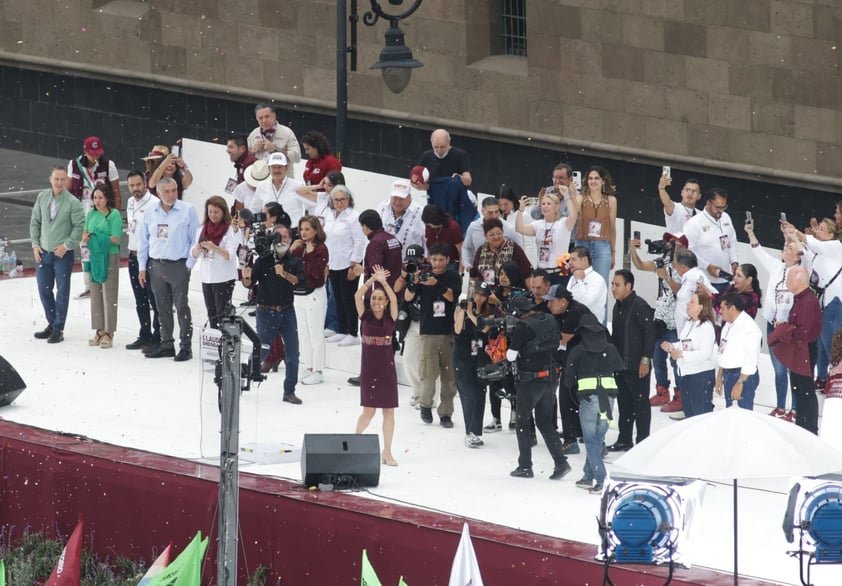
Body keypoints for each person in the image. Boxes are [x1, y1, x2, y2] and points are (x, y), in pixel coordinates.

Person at [241, 206, 305, 404]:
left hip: (287, 311)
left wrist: (284, 273)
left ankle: (289, 391)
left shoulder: (294, 261)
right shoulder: (263, 260)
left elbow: (301, 282)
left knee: (293, 352)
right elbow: (250, 284)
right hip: (266, 311)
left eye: (286, 237)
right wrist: (245, 277)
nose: (283, 240)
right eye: (279, 237)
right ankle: (246, 376)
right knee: (264, 349)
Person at [506, 296, 572, 481]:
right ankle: (560, 462)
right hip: (551, 379)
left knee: (522, 422)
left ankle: (525, 466)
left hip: (530, 381)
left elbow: (511, 356)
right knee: (545, 422)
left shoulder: (522, 327)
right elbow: (558, 343)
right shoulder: (550, 319)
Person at [137, 177, 200, 362]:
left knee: (181, 307)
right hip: (156, 265)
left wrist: (189, 265)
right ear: (159, 192)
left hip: (178, 265)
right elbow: (144, 241)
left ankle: (186, 346)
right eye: (167, 191)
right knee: (161, 307)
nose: (171, 195)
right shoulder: (150, 212)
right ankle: (166, 343)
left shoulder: (187, 210)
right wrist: (142, 267)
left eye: (174, 190)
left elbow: (194, 239)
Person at [404, 242, 462, 428]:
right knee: (428, 374)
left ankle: (446, 413)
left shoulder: (452, 276)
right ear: (429, 259)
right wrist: (414, 282)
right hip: (428, 331)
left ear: (448, 260)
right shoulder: (423, 275)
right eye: (434, 259)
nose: (437, 263)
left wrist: (436, 284)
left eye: (440, 260)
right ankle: (425, 406)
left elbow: (451, 296)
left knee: (449, 378)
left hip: (448, 332)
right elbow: (407, 297)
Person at [565, 314, 623, 494]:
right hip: (609, 398)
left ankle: (600, 479)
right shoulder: (611, 348)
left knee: (590, 441)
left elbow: (568, 381)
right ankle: (587, 476)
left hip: (589, 399)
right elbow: (620, 367)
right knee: (597, 440)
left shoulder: (577, 351)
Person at [630, 232, 687, 413]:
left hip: (677, 321)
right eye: (671, 243)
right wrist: (632, 248)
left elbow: (683, 293)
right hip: (660, 318)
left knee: (676, 360)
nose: (673, 246)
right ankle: (662, 391)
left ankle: (681, 396)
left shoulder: (687, 267)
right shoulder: (662, 262)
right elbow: (639, 265)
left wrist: (666, 278)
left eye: (677, 244)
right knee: (657, 356)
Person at [785, 218, 842, 392]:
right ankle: (823, 376)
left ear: (831, 235)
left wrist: (797, 232)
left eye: (823, 230)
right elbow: (804, 252)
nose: (818, 231)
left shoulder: (835, 247)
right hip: (821, 302)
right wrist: (788, 235)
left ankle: (834, 378)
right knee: (820, 342)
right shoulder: (818, 251)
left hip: (835, 302)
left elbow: (811, 242)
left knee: (831, 342)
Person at [30, 167, 85, 344]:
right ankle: (52, 323)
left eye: (62, 179)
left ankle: (59, 327)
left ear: (66, 181)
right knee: (44, 289)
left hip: (62, 254)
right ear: (50, 179)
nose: (59, 183)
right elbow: (35, 222)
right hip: (43, 252)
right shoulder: (42, 197)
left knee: (62, 291)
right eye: (56, 179)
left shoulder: (73, 202)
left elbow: (79, 227)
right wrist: (35, 244)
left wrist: (67, 245)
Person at [354, 264, 400, 466]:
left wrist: (384, 282)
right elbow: (357, 295)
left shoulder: (391, 317)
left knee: (388, 411)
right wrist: (373, 280)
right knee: (368, 411)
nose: (376, 301)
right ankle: (354, 441)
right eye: (374, 298)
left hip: (387, 371)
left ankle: (387, 451)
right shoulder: (365, 315)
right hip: (369, 370)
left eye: (380, 299)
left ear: (386, 301)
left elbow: (395, 299)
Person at [768, 266, 821, 434]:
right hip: (801, 349)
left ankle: (808, 427)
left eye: (789, 279)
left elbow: (803, 332)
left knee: (805, 389)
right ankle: (803, 423)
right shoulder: (800, 299)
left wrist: (785, 330)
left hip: (804, 350)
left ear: (799, 281)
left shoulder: (807, 302)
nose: (786, 282)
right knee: (799, 387)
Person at [67, 136, 121, 299]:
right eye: (92, 153)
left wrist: (115, 214)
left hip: (102, 215)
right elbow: (69, 191)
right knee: (86, 251)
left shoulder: (108, 165)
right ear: (85, 151)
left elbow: (116, 191)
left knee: (103, 249)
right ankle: (89, 286)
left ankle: (105, 284)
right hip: (83, 216)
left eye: (98, 153)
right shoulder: (74, 164)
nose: (95, 157)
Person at [607, 270, 655, 452]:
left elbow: (649, 334)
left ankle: (643, 442)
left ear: (629, 286)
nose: (613, 288)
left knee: (641, 404)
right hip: (620, 365)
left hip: (637, 365)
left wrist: (645, 360)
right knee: (624, 403)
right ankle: (624, 439)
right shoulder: (617, 306)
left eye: (617, 285)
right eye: (612, 284)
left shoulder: (640, 306)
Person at [547, 284, 594, 454]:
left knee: (568, 399)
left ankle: (571, 440)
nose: (548, 305)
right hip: (576, 361)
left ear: (563, 301)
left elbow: (562, 339)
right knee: (573, 398)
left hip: (587, 363)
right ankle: (576, 433)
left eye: (551, 302)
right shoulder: (562, 312)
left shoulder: (576, 312)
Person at [662, 290, 716, 418]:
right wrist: (672, 346)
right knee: (690, 415)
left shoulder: (706, 327)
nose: (688, 304)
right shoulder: (689, 323)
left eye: (692, 302)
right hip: (686, 374)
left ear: (701, 307)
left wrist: (682, 355)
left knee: (700, 416)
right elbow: (685, 344)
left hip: (700, 376)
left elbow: (705, 353)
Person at [323, 185, 366, 344]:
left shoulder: (354, 217)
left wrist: (354, 263)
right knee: (338, 298)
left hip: (348, 263)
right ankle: (341, 330)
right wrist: (326, 262)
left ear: (349, 200)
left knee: (348, 298)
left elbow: (360, 241)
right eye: (336, 200)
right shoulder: (330, 215)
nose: (339, 202)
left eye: (342, 199)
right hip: (333, 262)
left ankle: (352, 332)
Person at [453, 282, 494, 448]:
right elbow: (457, 329)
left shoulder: (489, 313)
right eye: (476, 293)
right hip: (462, 356)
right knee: (467, 394)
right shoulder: (461, 308)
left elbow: (483, 328)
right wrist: (463, 311)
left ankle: (475, 431)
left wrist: (470, 312)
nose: (478, 298)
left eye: (482, 295)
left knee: (479, 395)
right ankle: (470, 431)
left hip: (480, 358)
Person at [290, 215, 330, 385]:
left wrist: (311, 255)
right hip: (298, 295)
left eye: (307, 229)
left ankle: (318, 369)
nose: (304, 232)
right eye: (302, 229)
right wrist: (292, 248)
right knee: (304, 334)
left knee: (315, 333)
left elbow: (316, 273)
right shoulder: (299, 248)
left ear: (316, 230)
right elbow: (290, 267)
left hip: (314, 294)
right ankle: (308, 365)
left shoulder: (321, 249)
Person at [82, 183, 122, 349]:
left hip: (108, 255)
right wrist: (91, 238)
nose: (97, 201)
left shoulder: (114, 215)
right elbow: (85, 233)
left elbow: (115, 238)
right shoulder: (91, 214)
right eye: (95, 197)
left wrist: (96, 237)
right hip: (94, 255)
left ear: (107, 199)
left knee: (109, 292)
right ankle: (99, 329)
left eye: (100, 198)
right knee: (96, 291)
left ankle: (109, 331)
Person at [190, 196, 241, 329]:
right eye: (210, 211)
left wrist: (214, 247)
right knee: (211, 313)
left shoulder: (231, 230)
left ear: (223, 212)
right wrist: (198, 249)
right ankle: (215, 341)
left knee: (222, 314)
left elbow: (229, 254)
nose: (213, 215)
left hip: (224, 278)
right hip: (207, 278)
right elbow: (193, 254)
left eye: (216, 212)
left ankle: (225, 343)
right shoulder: (202, 229)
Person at [412, 129, 476, 233]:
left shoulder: (460, 155)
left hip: (455, 201)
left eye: (442, 147)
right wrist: (421, 186)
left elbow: (468, 180)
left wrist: (459, 178)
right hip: (435, 201)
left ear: (449, 143)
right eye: (436, 147)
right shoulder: (427, 156)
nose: (439, 150)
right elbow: (415, 180)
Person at [124, 170, 160, 350]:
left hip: (149, 257)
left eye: (138, 184)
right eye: (132, 185)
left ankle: (158, 335)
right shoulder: (130, 202)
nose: (135, 189)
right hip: (133, 256)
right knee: (140, 299)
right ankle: (144, 333)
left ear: (145, 183)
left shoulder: (154, 203)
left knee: (153, 298)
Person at [682, 187, 739, 293]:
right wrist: (707, 266)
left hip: (725, 279)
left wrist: (734, 262)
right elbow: (687, 252)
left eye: (724, 207)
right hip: (703, 281)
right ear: (708, 204)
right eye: (718, 207)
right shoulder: (694, 223)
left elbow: (732, 242)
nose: (721, 211)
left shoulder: (726, 217)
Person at [516, 189, 578, 281]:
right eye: (543, 204)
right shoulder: (538, 224)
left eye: (549, 204)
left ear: (557, 207)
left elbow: (573, 216)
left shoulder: (563, 223)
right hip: (541, 272)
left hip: (559, 271)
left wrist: (567, 197)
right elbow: (519, 228)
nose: (545, 206)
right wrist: (520, 210)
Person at [715, 293, 762, 410]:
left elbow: (751, 360)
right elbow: (723, 350)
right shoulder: (728, 324)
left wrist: (740, 382)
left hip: (743, 376)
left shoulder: (748, 327)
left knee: (742, 415)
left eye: (723, 308)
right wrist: (720, 375)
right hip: (729, 374)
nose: (720, 311)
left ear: (732, 308)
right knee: (730, 412)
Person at [574, 165, 617, 286]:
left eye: (596, 178)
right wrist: (572, 194)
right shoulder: (580, 198)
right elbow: (574, 214)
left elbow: (612, 228)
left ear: (603, 181)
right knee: (581, 283)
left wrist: (613, 252)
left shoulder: (611, 200)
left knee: (601, 285)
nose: (593, 181)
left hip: (602, 245)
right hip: (582, 244)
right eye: (590, 178)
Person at [461, 196, 522, 273]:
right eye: (490, 213)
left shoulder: (508, 228)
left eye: (496, 212)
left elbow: (520, 249)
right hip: (479, 274)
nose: (494, 216)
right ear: (482, 211)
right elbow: (467, 248)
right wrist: (468, 265)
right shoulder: (473, 227)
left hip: (501, 275)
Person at [470, 218, 532, 287]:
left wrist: (532, 295)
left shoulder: (514, 249)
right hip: (485, 294)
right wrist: (470, 296)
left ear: (503, 232)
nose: (496, 237)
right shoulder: (481, 250)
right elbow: (474, 276)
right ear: (485, 236)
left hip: (509, 294)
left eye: (499, 233)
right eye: (491, 235)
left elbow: (527, 274)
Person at [254, 152, 308, 225]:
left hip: (292, 233)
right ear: (269, 169)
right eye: (273, 167)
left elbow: (311, 207)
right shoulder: (262, 186)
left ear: (286, 168)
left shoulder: (298, 185)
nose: (276, 170)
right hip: (268, 233)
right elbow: (254, 209)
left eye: (279, 167)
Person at [248, 102, 302, 174]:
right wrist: (252, 150)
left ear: (274, 116)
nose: (264, 121)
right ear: (256, 119)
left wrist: (275, 149)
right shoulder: (253, 134)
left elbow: (297, 157)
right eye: (260, 118)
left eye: (267, 116)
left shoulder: (287, 133)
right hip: (260, 180)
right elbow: (244, 158)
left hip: (282, 180)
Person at [376, 179, 426, 252]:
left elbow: (426, 239)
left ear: (409, 198)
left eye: (401, 199)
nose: (397, 202)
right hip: (383, 258)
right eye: (395, 198)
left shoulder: (421, 213)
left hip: (408, 260)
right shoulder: (382, 207)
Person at [566, 246, 608, 324]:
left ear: (584, 260)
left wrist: (579, 281)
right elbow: (567, 300)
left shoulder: (597, 279)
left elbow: (585, 304)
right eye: (570, 259)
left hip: (592, 328)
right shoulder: (572, 278)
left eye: (573, 259)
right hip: (573, 325)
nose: (569, 263)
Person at [422, 204, 463, 271]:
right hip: (433, 263)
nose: (431, 226)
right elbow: (430, 243)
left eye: (431, 224)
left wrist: (461, 272)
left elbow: (461, 251)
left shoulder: (453, 227)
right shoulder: (429, 226)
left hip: (449, 264)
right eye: (428, 224)